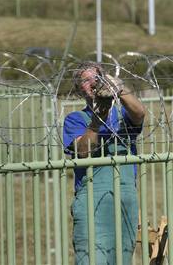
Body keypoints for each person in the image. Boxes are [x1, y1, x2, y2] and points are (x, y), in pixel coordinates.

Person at [63, 62, 146, 264]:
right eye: (85, 80)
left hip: (126, 200)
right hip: (92, 202)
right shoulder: (75, 119)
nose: (93, 82)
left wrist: (118, 88)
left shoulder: (123, 116)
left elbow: (140, 113)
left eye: (97, 77)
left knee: (122, 259)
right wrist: (97, 121)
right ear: (78, 89)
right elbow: (84, 151)